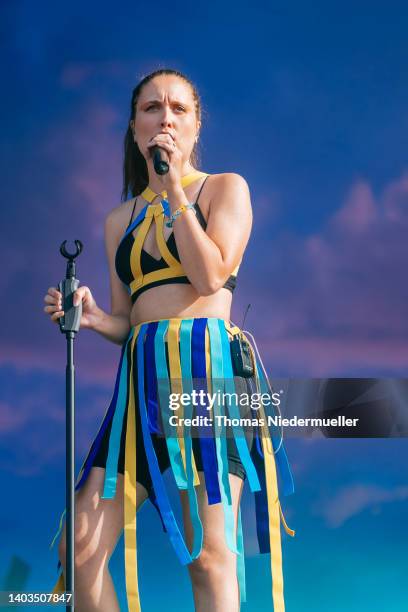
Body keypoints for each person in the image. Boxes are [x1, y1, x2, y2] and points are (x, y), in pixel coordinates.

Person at [44, 68, 295, 612]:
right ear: (135, 128)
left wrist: (173, 187)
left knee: (209, 557)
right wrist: (89, 317)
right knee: (79, 550)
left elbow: (209, 277)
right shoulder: (119, 219)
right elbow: (128, 320)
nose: (166, 118)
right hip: (139, 390)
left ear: (196, 125)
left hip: (202, 372)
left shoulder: (224, 188)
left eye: (179, 109)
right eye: (153, 108)